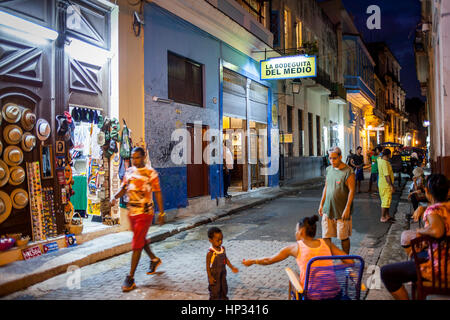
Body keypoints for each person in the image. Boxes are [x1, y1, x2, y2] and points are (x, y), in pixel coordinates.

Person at [242, 215, 352, 300]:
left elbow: (269, 260)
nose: (295, 233)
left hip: (312, 296)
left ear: (301, 231)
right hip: (335, 295)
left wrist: (252, 261)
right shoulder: (327, 243)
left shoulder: (294, 248)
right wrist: (332, 269)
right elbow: (349, 260)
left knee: (293, 275)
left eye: (296, 230)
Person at [380, 174, 450, 300]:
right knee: (415, 254)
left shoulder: (433, 210)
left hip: (441, 268)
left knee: (386, 272)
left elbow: (438, 231)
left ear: (427, 192)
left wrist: (421, 231)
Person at [111, 147, 166, 292]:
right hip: (132, 212)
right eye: (133, 157)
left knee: (136, 243)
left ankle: (130, 278)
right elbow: (123, 188)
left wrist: (161, 213)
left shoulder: (151, 173)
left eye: (137, 157)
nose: (135, 160)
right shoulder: (129, 171)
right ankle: (154, 260)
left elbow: (158, 193)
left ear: (143, 157)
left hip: (145, 213)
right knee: (140, 239)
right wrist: (114, 197)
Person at [318, 146, 355, 254]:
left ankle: (345, 259)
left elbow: (352, 191)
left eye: (334, 158)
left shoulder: (348, 172)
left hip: (342, 210)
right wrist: (321, 204)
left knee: (343, 237)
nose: (332, 161)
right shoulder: (329, 169)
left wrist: (347, 208)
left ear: (340, 157)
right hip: (327, 209)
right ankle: (329, 258)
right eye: (330, 158)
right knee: (326, 236)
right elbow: (326, 186)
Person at [206, 227, 238, 300]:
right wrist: (210, 277)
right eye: (218, 240)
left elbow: (225, 259)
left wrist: (232, 267)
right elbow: (207, 267)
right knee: (215, 291)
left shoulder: (223, 249)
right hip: (214, 275)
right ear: (210, 240)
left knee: (224, 288)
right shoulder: (210, 252)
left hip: (223, 273)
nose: (220, 242)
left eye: (221, 239)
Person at [378, 148, 396, 223]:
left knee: (386, 200)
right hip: (386, 185)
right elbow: (387, 176)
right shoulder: (384, 163)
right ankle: (382, 217)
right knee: (385, 201)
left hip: (381, 184)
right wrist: (391, 186)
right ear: (388, 154)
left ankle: (387, 215)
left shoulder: (380, 160)